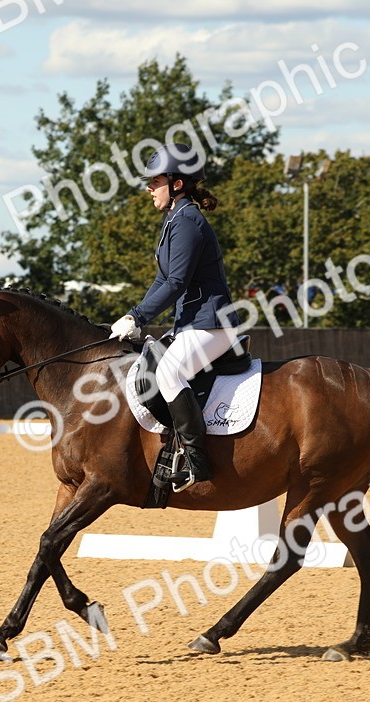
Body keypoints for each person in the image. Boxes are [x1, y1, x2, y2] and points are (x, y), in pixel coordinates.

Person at [108, 143, 241, 491]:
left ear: (177, 183)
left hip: (211, 323)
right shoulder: (174, 220)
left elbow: (177, 282)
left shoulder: (188, 222)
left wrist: (137, 316)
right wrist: (133, 315)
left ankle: (198, 462)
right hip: (191, 323)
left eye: (155, 181)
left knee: (168, 373)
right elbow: (162, 280)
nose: (149, 188)